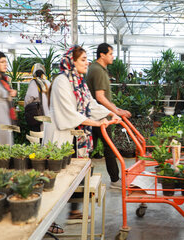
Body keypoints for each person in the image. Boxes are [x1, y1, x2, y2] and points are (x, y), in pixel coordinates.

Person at [42, 46, 120, 227]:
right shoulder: (62, 81)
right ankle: (47, 221)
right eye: (83, 59)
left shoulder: (79, 81)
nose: (87, 62)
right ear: (72, 61)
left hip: (76, 137)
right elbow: (68, 114)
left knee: (76, 175)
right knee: (57, 180)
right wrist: (98, 123)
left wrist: (110, 114)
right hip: (61, 136)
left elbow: (91, 104)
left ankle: (73, 211)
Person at [86, 43, 131, 189]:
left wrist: (116, 109)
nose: (113, 56)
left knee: (92, 149)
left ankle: (85, 179)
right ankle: (114, 180)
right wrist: (116, 112)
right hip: (99, 116)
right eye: (111, 54)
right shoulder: (97, 71)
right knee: (108, 147)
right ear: (102, 55)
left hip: (98, 115)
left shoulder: (97, 69)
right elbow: (100, 97)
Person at [24, 63, 51, 132]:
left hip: (39, 116)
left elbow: (28, 99)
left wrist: (26, 107)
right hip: (50, 115)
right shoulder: (48, 82)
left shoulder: (34, 83)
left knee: (39, 137)